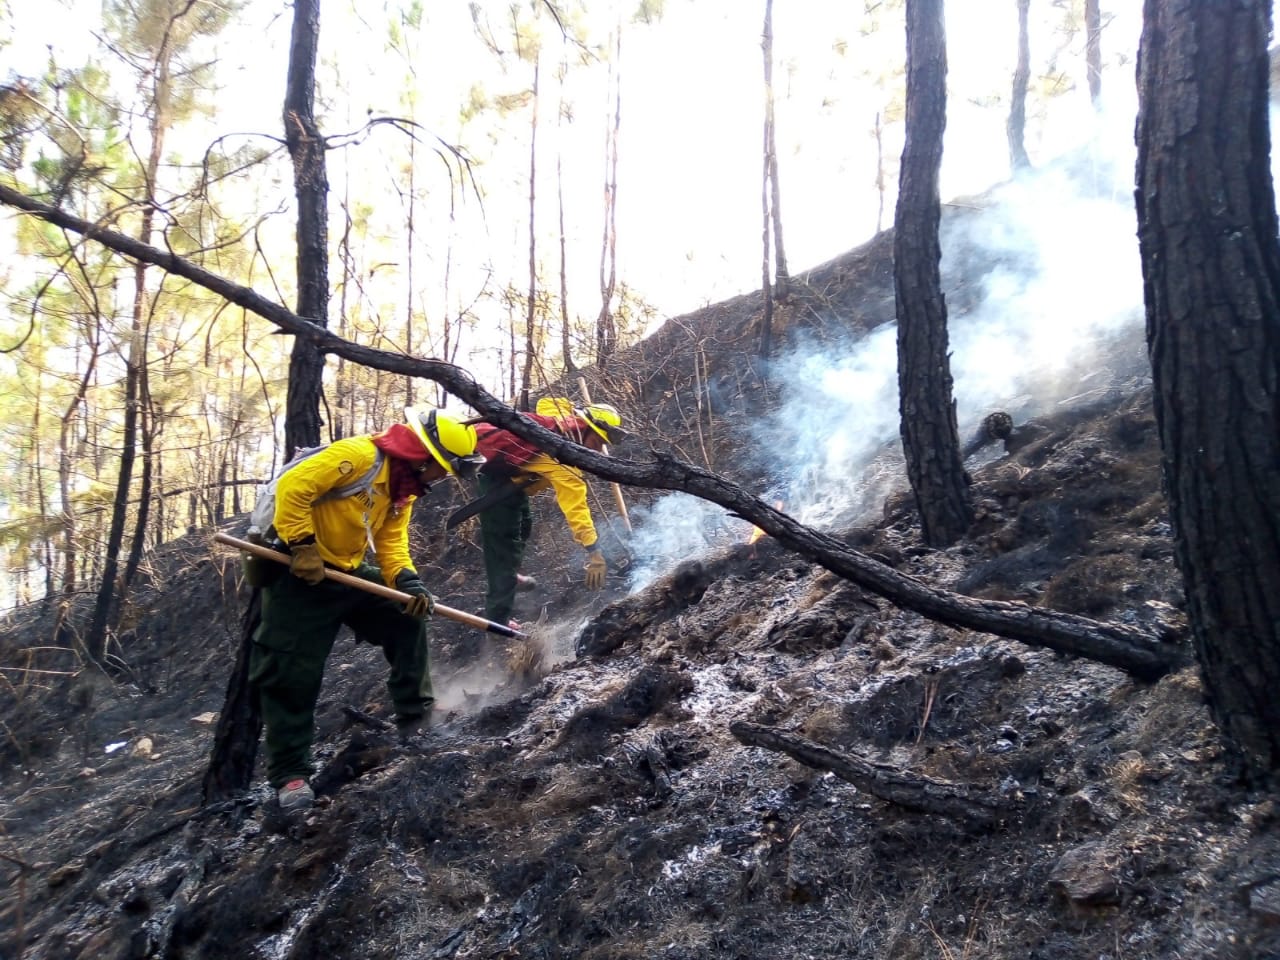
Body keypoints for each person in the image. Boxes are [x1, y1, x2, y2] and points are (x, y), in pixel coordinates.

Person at [249, 406, 484, 812]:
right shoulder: (358, 457)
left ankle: (416, 714)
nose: (443, 478)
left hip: (348, 570)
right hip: (298, 577)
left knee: (406, 615)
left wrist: (405, 580)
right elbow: (294, 487)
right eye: (443, 469)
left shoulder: (402, 489)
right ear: (423, 458)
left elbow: (391, 541)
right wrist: (302, 545)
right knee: (292, 672)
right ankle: (290, 776)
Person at [471, 399, 624, 629]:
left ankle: (510, 572)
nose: (596, 449)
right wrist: (593, 551)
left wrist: (574, 408)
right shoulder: (562, 463)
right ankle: (498, 619)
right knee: (504, 543)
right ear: (584, 429)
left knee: (524, 526)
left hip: (514, 481)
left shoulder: (560, 418)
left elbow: (546, 402)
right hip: (496, 481)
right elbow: (576, 509)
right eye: (597, 441)